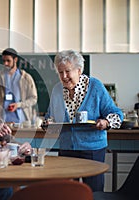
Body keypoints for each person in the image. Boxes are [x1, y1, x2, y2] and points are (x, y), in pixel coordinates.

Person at [44, 50, 123, 192]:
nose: (64, 76)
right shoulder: (57, 90)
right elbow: (50, 117)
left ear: (79, 70)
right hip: (67, 148)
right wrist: (48, 124)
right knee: (67, 192)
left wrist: (105, 122)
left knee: (94, 192)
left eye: (68, 71)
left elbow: (116, 114)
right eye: (60, 72)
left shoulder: (95, 87)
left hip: (92, 149)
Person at [0, 48, 37, 123]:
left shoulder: (26, 78)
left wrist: (18, 105)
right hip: (2, 120)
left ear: (15, 60)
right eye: (4, 61)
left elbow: (33, 99)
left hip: (22, 121)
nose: (5, 64)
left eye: (8, 61)